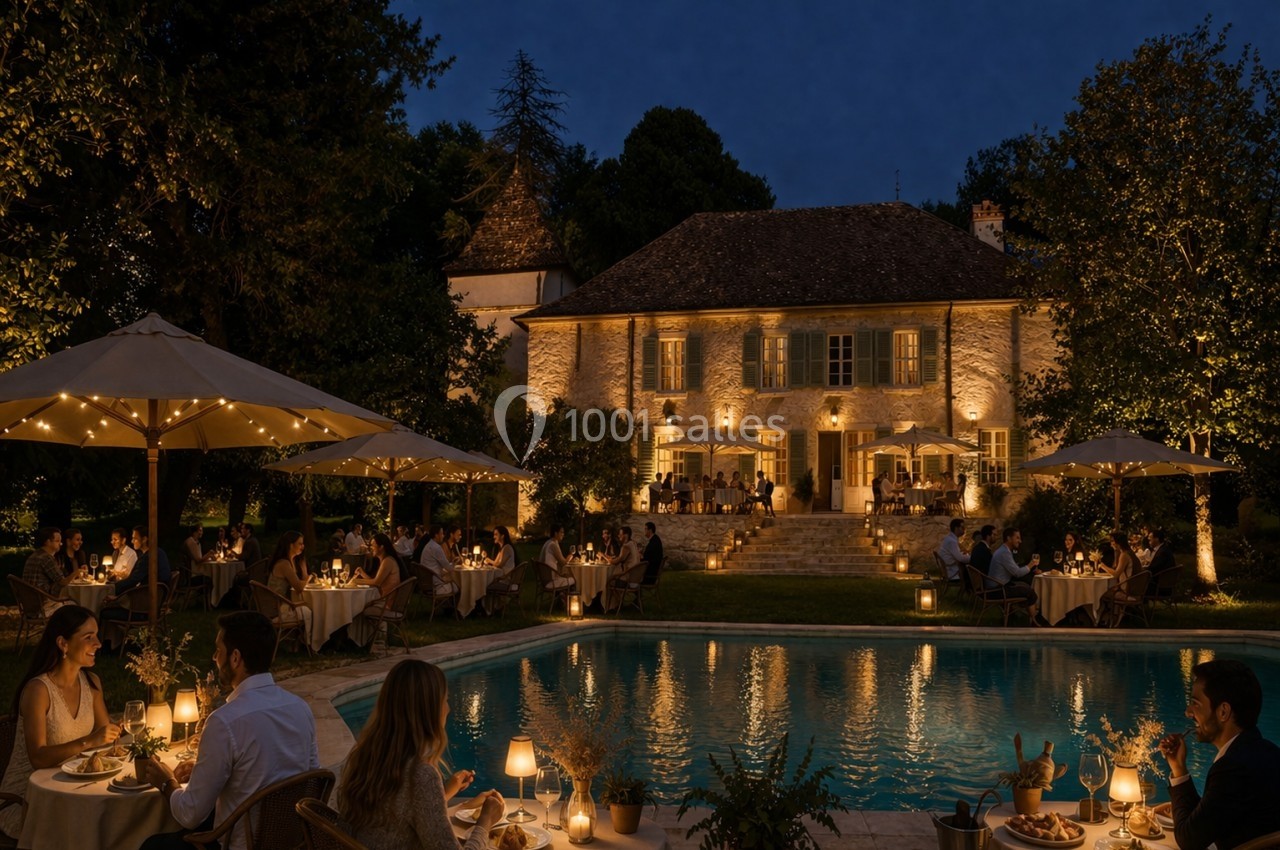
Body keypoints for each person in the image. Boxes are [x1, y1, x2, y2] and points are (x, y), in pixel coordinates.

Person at [141, 612, 320, 850]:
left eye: (218, 651)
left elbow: (189, 813)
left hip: (241, 844)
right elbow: (311, 781)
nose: (215, 658)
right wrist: (208, 770)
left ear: (235, 658)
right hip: (291, 841)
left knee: (153, 845)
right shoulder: (300, 708)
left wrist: (167, 782)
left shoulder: (225, 722)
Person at [338, 659, 505, 850]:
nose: (448, 709)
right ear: (429, 710)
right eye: (445, 700)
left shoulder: (366, 756)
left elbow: (399, 813)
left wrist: (444, 794)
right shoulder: (420, 774)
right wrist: (485, 821)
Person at [0, 605, 121, 840]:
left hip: (72, 786)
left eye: (97, 635)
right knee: (88, 828)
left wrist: (117, 734)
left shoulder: (91, 683)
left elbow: (106, 742)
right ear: (63, 644)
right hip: (29, 797)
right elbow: (38, 758)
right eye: (89, 637)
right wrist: (89, 741)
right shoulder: (39, 690)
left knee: (111, 820)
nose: (98, 643)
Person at [1158, 659, 1280, 850]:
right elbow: (1208, 819)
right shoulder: (1268, 752)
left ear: (1223, 712)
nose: (1188, 712)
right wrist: (1178, 768)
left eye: (1195, 704)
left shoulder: (1233, 769)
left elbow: (1189, 840)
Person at [100, 526, 173, 649]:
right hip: (156, 603)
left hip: (143, 608)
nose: (132, 541)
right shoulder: (159, 552)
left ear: (144, 539)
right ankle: (113, 642)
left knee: (104, 608)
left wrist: (113, 589)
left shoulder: (148, 558)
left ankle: (107, 645)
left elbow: (133, 580)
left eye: (135, 538)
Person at [986, 527, 1042, 624]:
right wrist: (1031, 564)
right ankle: (1034, 622)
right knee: (1030, 591)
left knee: (1025, 585)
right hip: (997, 590)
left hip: (996, 587)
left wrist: (1028, 569)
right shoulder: (1004, 553)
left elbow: (1014, 570)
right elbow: (1017, 573)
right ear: (1009, 538)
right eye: (1017, 538)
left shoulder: (1004, 550)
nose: (1020, 541)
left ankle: (1019, 616)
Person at [265, 531, 313, 638]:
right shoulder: (284, 564)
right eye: (300, 544)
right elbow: (299, 587)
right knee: (310, 610)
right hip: (276, 609)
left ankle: (299, 642)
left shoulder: (291, 561)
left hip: (282, 604)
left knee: (307, 607)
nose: (303, 546)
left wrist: (304, 572)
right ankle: (309, 643)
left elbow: (298, 584)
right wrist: (308, 577)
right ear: (291, 545)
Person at [22, 527, 73, 611]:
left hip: (29, 604)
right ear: (48, 542)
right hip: (42, 605)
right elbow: (63, 582)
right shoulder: (46, 558)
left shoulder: (35, 555)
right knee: (76, 605)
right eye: (57, 541)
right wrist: (78, 572)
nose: (61, 544)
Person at [354, 533, 403, 599]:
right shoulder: (385, 560)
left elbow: (376, 582)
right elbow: (375, 581)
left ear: (381, 547)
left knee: (359, 606)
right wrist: (362, 573)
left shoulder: (388, 561)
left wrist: (356, 581)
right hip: (385, 599)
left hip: (387, 602)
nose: (371, 548)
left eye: (373, 545)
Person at [419, 527, 460, 596]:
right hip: (435, 586)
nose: (443, 536)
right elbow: (449, 568)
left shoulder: (428, 545)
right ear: (436, 535)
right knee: (458, 586)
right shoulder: (437, 548)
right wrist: (455, 562)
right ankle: (454, 605)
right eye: (441, 534)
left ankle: (446, 604)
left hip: (425, 583)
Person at [935, 518, 970, 583]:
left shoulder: (949, 539)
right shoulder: (951, 541)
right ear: (956, 528)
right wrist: (973, 558)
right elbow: (960, 558)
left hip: (951, 570)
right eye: (962, 527)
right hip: (954, 573)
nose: (964, 530)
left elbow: (957, 556)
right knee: (974, 576)